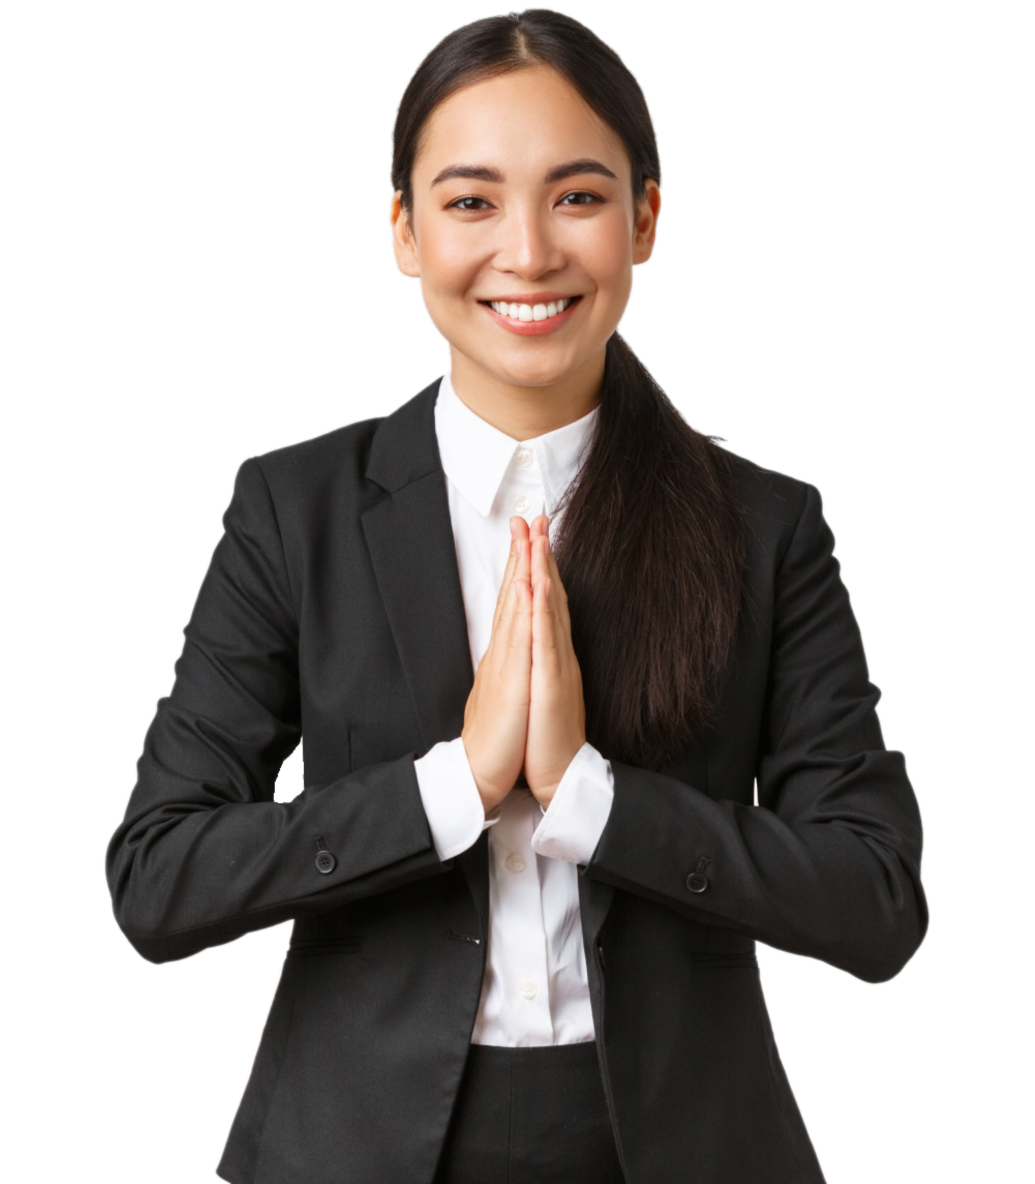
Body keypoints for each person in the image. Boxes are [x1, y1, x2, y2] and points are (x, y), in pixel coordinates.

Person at [104, 9, 928, 1183]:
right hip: (350, 1146)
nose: (529, 253)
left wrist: (592, 797)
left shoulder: (765, 524)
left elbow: (877, 899)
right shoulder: (296, 508)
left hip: (686, 1146)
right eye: (472, 200)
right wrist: (456, 786)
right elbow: (158, 878)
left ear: (646, 216)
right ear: (404, 230)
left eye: (578, 197)